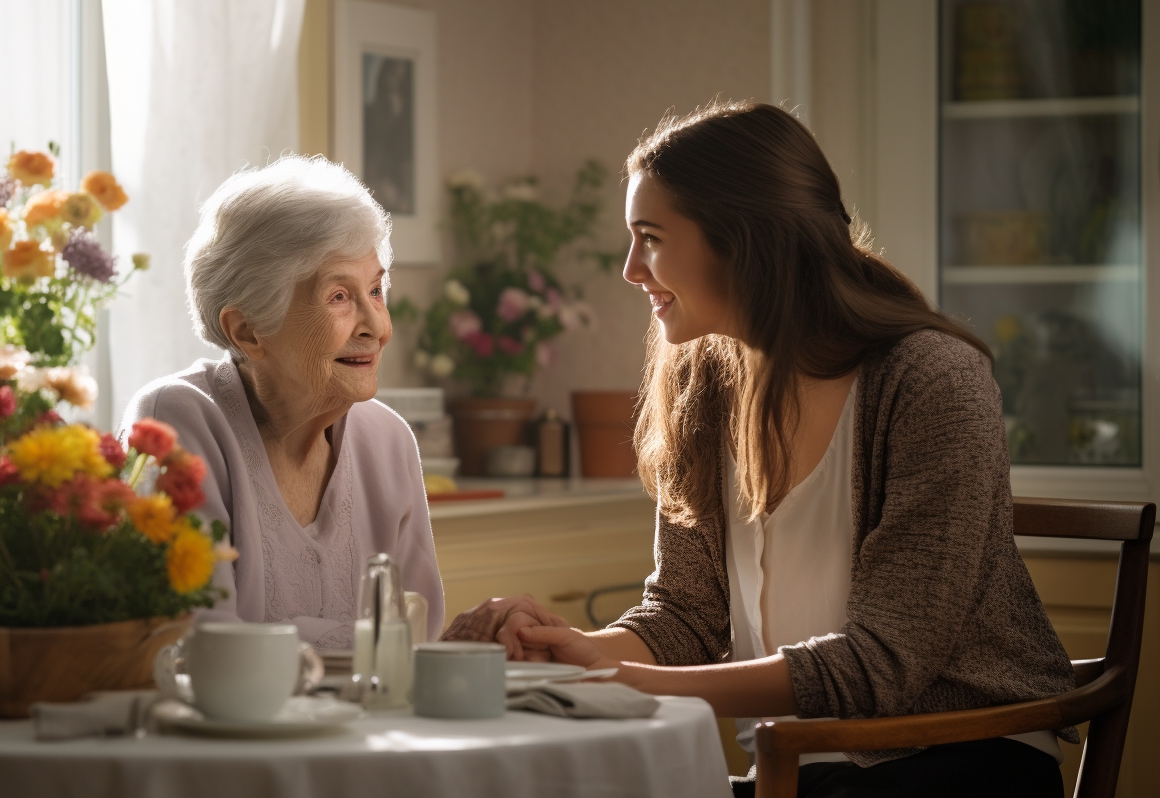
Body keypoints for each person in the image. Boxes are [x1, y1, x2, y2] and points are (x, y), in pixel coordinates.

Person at [442, 101, 1074, 796]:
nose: (630, 269)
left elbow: (883, 663)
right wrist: (569, 651)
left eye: (650, 237)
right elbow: (685, 615)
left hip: (954, 761)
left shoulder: (931, 380)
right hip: (795, 767)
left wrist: (609, 674)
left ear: (743, 241)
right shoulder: (703, 381)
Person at [120, 155, 444, 650]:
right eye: (338, 297)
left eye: (375, 290)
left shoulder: (389, 441)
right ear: (248, 330)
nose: (376, 328)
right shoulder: (176, 420)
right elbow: (195, 640)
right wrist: (373, 645)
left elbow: (419, 640)